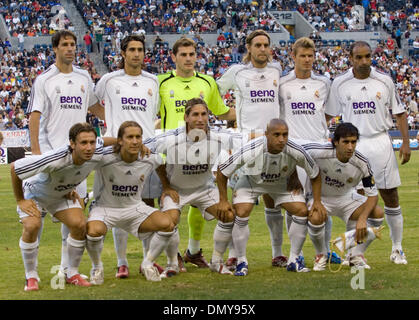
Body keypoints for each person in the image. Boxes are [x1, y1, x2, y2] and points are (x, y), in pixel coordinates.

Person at [27, 30, 104, 280]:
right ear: (55, 49)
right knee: (34, 219)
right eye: (65, 45)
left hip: (78, 160)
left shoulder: (83, 77)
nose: (70, 49)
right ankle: (33, 273)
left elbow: (93, 106)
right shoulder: (45, 79)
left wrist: (116, 119)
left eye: (73, 44)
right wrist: (38, 155)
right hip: (51, 158)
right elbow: (35, 116)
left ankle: (66, 270)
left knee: (74, 218)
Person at [328, 41, 411, 264]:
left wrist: (405, 142)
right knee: (357, 202)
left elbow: (400, 113)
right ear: (351, 59)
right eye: (359, 58)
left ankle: (397, 248)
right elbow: (330, 115)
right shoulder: (340, 83)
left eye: (367, 57)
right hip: (352, 147)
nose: (364, 62)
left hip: (380, 143)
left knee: (390, 196)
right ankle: (353, 254)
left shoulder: (384, 80)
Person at [157, 37, 236, 269]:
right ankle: (171, 258)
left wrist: (249, 111)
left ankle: (192, 250)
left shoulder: (207, 82)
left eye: (192, 54)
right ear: (173, 57)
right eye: (183, 54)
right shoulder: (161, 83)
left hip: (200, 152)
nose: (189, 58)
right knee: (168, 209)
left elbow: (221, 113)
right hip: (169, 157)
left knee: (198, 200)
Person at [144, 98, 243, 275]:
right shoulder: (172, 137)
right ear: (186, 117)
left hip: (204, 189)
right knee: (169, 221)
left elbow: (246, 139)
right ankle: (172, 263)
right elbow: (149, 152)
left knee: (228, 215)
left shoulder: (218, 136)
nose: (200, 118)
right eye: (195, 114)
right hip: (177, 190)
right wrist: (165, 186)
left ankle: (217, 261)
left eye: (204, 114)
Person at [216, 119, 327, 276]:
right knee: (241, 211)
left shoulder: (295, 149)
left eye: (285, 135)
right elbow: (223, 171)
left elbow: (315, 174)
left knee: (301, 210)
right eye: (276, 135)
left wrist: (317, 201)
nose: (281, 139)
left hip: (280, 184)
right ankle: (241, 261)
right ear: (266, 134)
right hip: (251, 182)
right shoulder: (252, 148)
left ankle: (294, 259)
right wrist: (223, 200)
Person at [216, 29, 286, 269]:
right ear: (249, 47)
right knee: (241, 203)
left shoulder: (277, 70)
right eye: (258, 45)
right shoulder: (237, 72)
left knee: (272, 200)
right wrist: (228, 114)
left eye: (266, 45)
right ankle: (235, 255)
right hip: (245, 143)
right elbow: (214, 92)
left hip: (274, 144)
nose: (263, 49)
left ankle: (278, 253)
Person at [93, 34, 162, 278]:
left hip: (146, 151)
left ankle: (147, 260)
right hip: (114, 153)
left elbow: (152, 114)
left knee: (146, 205)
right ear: (123, 53)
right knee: (115, 206)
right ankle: (122, 262)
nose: (136, 54)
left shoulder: (153, 81)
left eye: (140, 50)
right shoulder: (109, 80)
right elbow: (91, 103)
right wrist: (113, 128)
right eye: (131, 49)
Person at [10, 123, 104, 291]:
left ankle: (71, 273)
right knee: (32, 226)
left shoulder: (97, 152)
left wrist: (137, 145)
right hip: (36, 194)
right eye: (83, 143)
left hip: (61, 195)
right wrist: (20, 200)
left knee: (79, 224)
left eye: (92, 142)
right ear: (72, 144)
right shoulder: (55, 158)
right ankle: (31, 276)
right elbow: (15, 168)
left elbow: (113, 141)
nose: (89, 147)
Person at [85, 121, 180, 284]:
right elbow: (89, 150)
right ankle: (97, 267)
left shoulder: (148, 157)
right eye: (129, 137)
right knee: (93, 231)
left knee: (167, 224)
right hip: (106, 208)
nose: (135, 141)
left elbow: (160, 164)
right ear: (120, 140)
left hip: (134, 208)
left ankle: (148, 263)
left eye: (138, 137)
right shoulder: (104, 157)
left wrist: (166, 187)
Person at [278, 37, 340, 264]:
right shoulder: (283, 83)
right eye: (302, 56)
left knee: (320, 201)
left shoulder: (323, 83)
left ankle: (324, 250)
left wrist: (316, 128)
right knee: (294, 201)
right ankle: (297, 253)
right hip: (293, 148)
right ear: (293, 56)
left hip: (320, 148)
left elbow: (328, 112)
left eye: (310, 56)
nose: (307, 60)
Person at [303, 122, 384, 268]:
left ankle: (354, 255)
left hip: (346, 198)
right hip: (321, 198)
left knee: (377, 213)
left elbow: (373, 195)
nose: (350, 147)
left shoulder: (362, 162)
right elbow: (296, 153)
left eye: (353, 142)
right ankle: (321, 255)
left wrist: (363, 220)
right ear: (335, 142)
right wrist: (295, 178)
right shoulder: (319, 151)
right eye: (345, 142)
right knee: (315, 216)